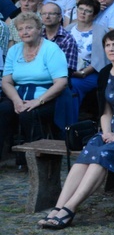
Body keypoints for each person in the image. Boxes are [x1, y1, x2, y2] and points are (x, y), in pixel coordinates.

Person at [36, 30, 114, 229]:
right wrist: (107, 133)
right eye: (108, 45)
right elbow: (105, 111)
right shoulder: (104, 74)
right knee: (87, 153)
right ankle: (58, 207)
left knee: (102, 155)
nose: (111, 48)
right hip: (111, 130)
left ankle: (70, 208)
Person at [0, 13, 68, 167]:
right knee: (3, 109)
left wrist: (38, 101)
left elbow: (61, 82)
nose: (24, 32)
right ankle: (3, 155)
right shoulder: (14, 50)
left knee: (28, 113)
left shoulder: (51, 49)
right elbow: (6, 82)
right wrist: (17, 101)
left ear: (39, 29)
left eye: (29, 28)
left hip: (47, 97)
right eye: (20, 29)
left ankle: (34, 160)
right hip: (18, 96)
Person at [67, 0, 108, 123]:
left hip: (91, 73)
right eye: (80, 9)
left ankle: (70, 124)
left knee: (71, 86)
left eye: (88, 11)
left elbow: (101, 59)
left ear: (94, 15)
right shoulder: (68, 29)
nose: (83, 13)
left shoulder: (100, 31)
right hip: (67, 71)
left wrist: (84, 72)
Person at [40, 2, 78, 74]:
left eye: (51, 14)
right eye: (44, 14)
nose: (47, 16)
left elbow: (68, 70)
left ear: (60, 17)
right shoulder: (37, 37)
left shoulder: (68, 40)